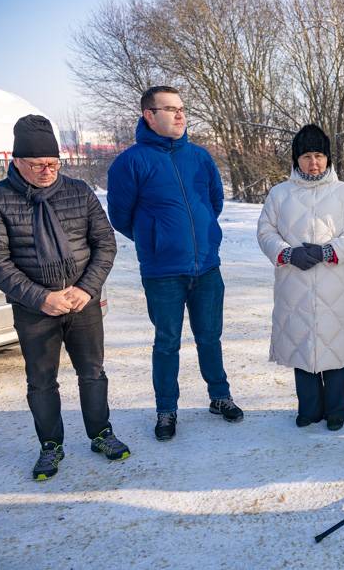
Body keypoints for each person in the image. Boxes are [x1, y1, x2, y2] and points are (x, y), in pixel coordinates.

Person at [0, 115, 129, 481]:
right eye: (37, 164)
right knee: (41, 380)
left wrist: (86, 288)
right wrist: (41, 298)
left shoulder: (78, 191)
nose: (47, 171)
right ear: (17, 161)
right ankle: (50, 445)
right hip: (34, 310)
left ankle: (101, 433)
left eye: (53, 164)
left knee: (93, 372)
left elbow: (105, 243)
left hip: (82, 303)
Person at [107, 86, 243, 442]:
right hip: (163, 273)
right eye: (170, 109)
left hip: (207, 267)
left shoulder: (199, 157)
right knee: (167, 341)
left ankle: (220, 396)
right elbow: (120, 216)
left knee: (210, 337)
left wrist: (201, 235)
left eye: (182, 108)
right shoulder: (130, 162)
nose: (180, 115)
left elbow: (214, 202)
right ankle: (166, 409)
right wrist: (158, 238)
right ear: (149, 115)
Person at [257, 124, 344, 431]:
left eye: (319, 155)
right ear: (296, 159)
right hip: (295, 283)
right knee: (301, 343)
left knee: (334, 343)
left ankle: (339, 409)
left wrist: (327, 251)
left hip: (335, 284)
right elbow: (265, 232)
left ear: (328, 158)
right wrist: (287, 253)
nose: (313, 162)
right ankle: (309, 408)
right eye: (306, 156)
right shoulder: (280, 194)